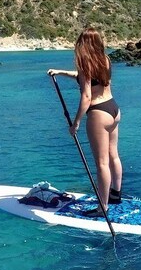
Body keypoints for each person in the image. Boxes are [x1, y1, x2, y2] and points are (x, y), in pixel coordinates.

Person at [48, 28, 122, 215]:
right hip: (113, 109)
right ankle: (115, 194)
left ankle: (102, 207)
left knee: (101, 163)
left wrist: (76, 123)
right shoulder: (105, 60)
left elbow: (87, 96)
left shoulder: (85, 63)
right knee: (114, 155)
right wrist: (61, 72)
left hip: (98, 114)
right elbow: (86, 78)